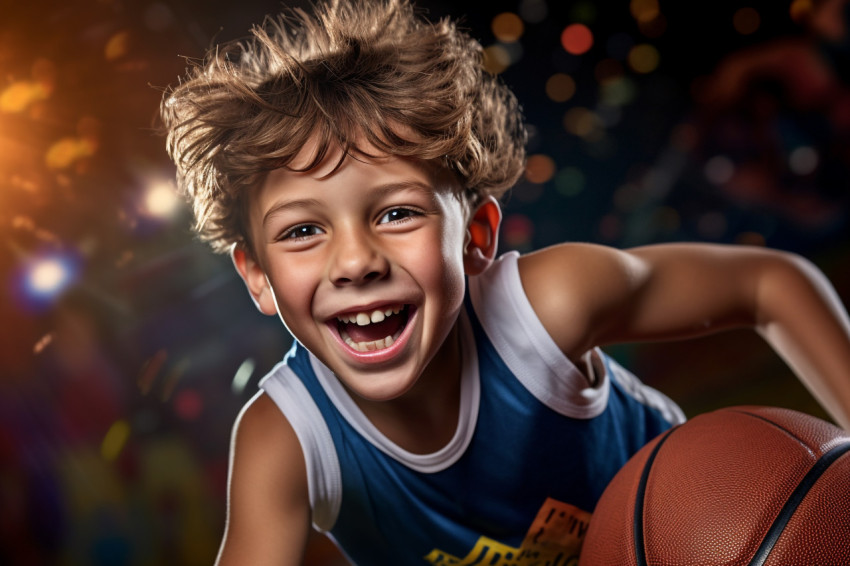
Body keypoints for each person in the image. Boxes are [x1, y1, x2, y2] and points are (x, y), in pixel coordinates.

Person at [159, 0, 850, 563]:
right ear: (257, 276)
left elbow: (769, 283)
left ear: (476, 237)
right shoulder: (286, 436)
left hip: (697, 539)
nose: (355, 261)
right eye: (303, 231)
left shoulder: (546, 305)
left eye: (396, 213)